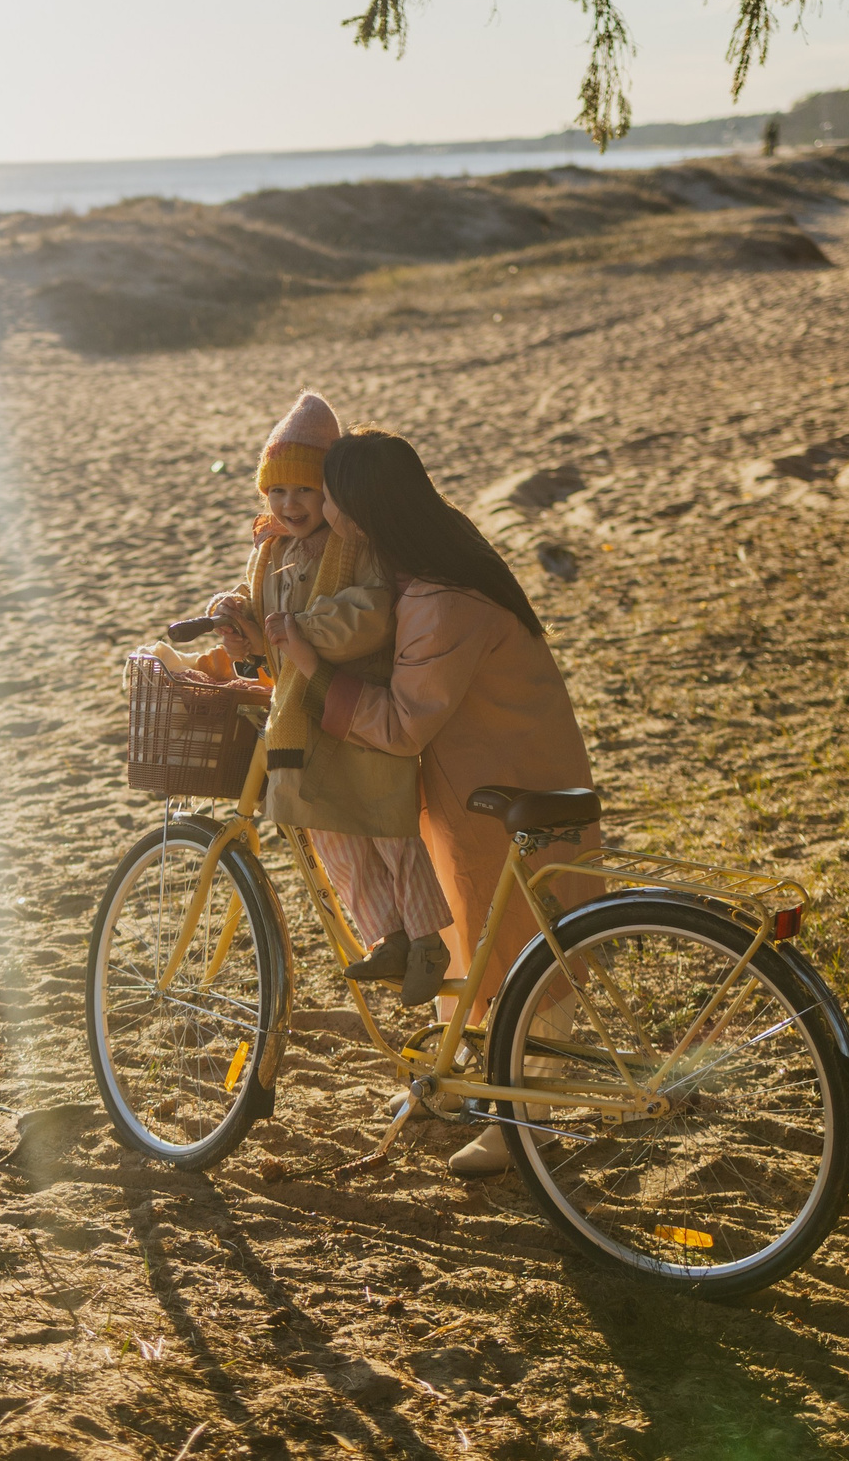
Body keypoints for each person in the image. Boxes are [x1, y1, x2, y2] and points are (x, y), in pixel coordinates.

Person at [263, 426, 595, 1176]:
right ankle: (454, 1084)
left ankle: (526, 1123)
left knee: (513, 942)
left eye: (333, 494)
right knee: (463, 931)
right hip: (470, 784)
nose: (322, 506)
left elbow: (404, 722)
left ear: (363, 508)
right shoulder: (431, 566)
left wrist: (315, 673)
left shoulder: (443, 598)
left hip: (507, 786)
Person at [206, 394, 454, 1006]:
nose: (289, 507)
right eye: (277, 494)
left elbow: (374, 611)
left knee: (386, 826)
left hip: (355, 704)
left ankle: (428, 940)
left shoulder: (355, 544)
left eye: (304, 493)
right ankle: (385, 935)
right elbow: (266, 624)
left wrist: (307, 628)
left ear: (330, 495)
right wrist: (241, 621)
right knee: (329, 830)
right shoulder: (270, 553)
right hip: (302, 716)